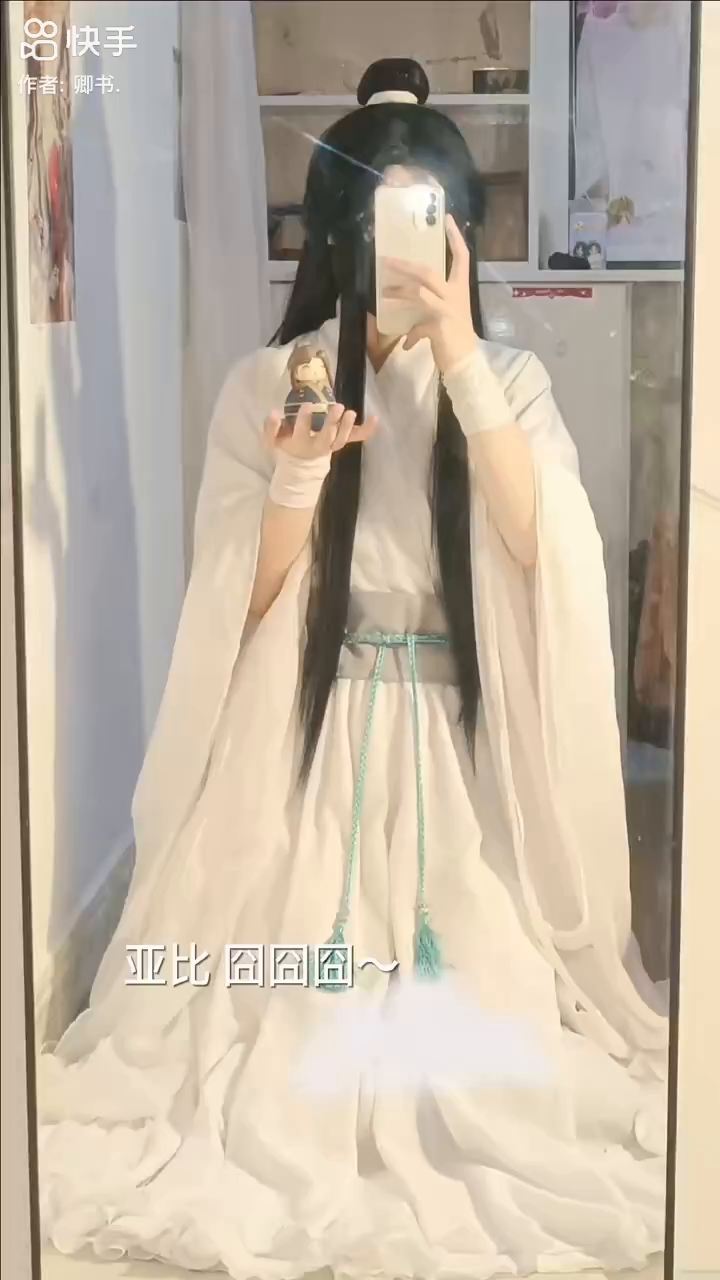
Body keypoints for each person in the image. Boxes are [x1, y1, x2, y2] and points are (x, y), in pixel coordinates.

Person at [39, 59, 668, 1278]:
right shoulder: (274, 383)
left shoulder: (510, 383)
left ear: (459, 232)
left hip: (460, 758)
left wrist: (461, 352)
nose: (398, 251)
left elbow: (542, 548)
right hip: (306, 742)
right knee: (265, 1026)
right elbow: (243, 602)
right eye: (376, 222)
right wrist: (296, 471)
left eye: (424, 218)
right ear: (335, 233)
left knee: (491, 1035)